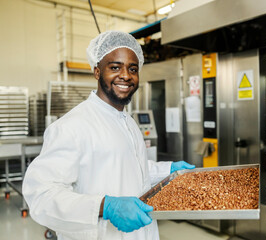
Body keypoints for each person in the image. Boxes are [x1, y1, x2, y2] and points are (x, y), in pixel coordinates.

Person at [22, 30, 195, 240]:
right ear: (97, 71)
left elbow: (129, 167)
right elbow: (42, 196)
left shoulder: (128, 123)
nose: (125, 76)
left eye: (133, 69)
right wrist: (105, 206)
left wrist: (169, 171)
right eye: (115, 67)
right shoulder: (72, 126)